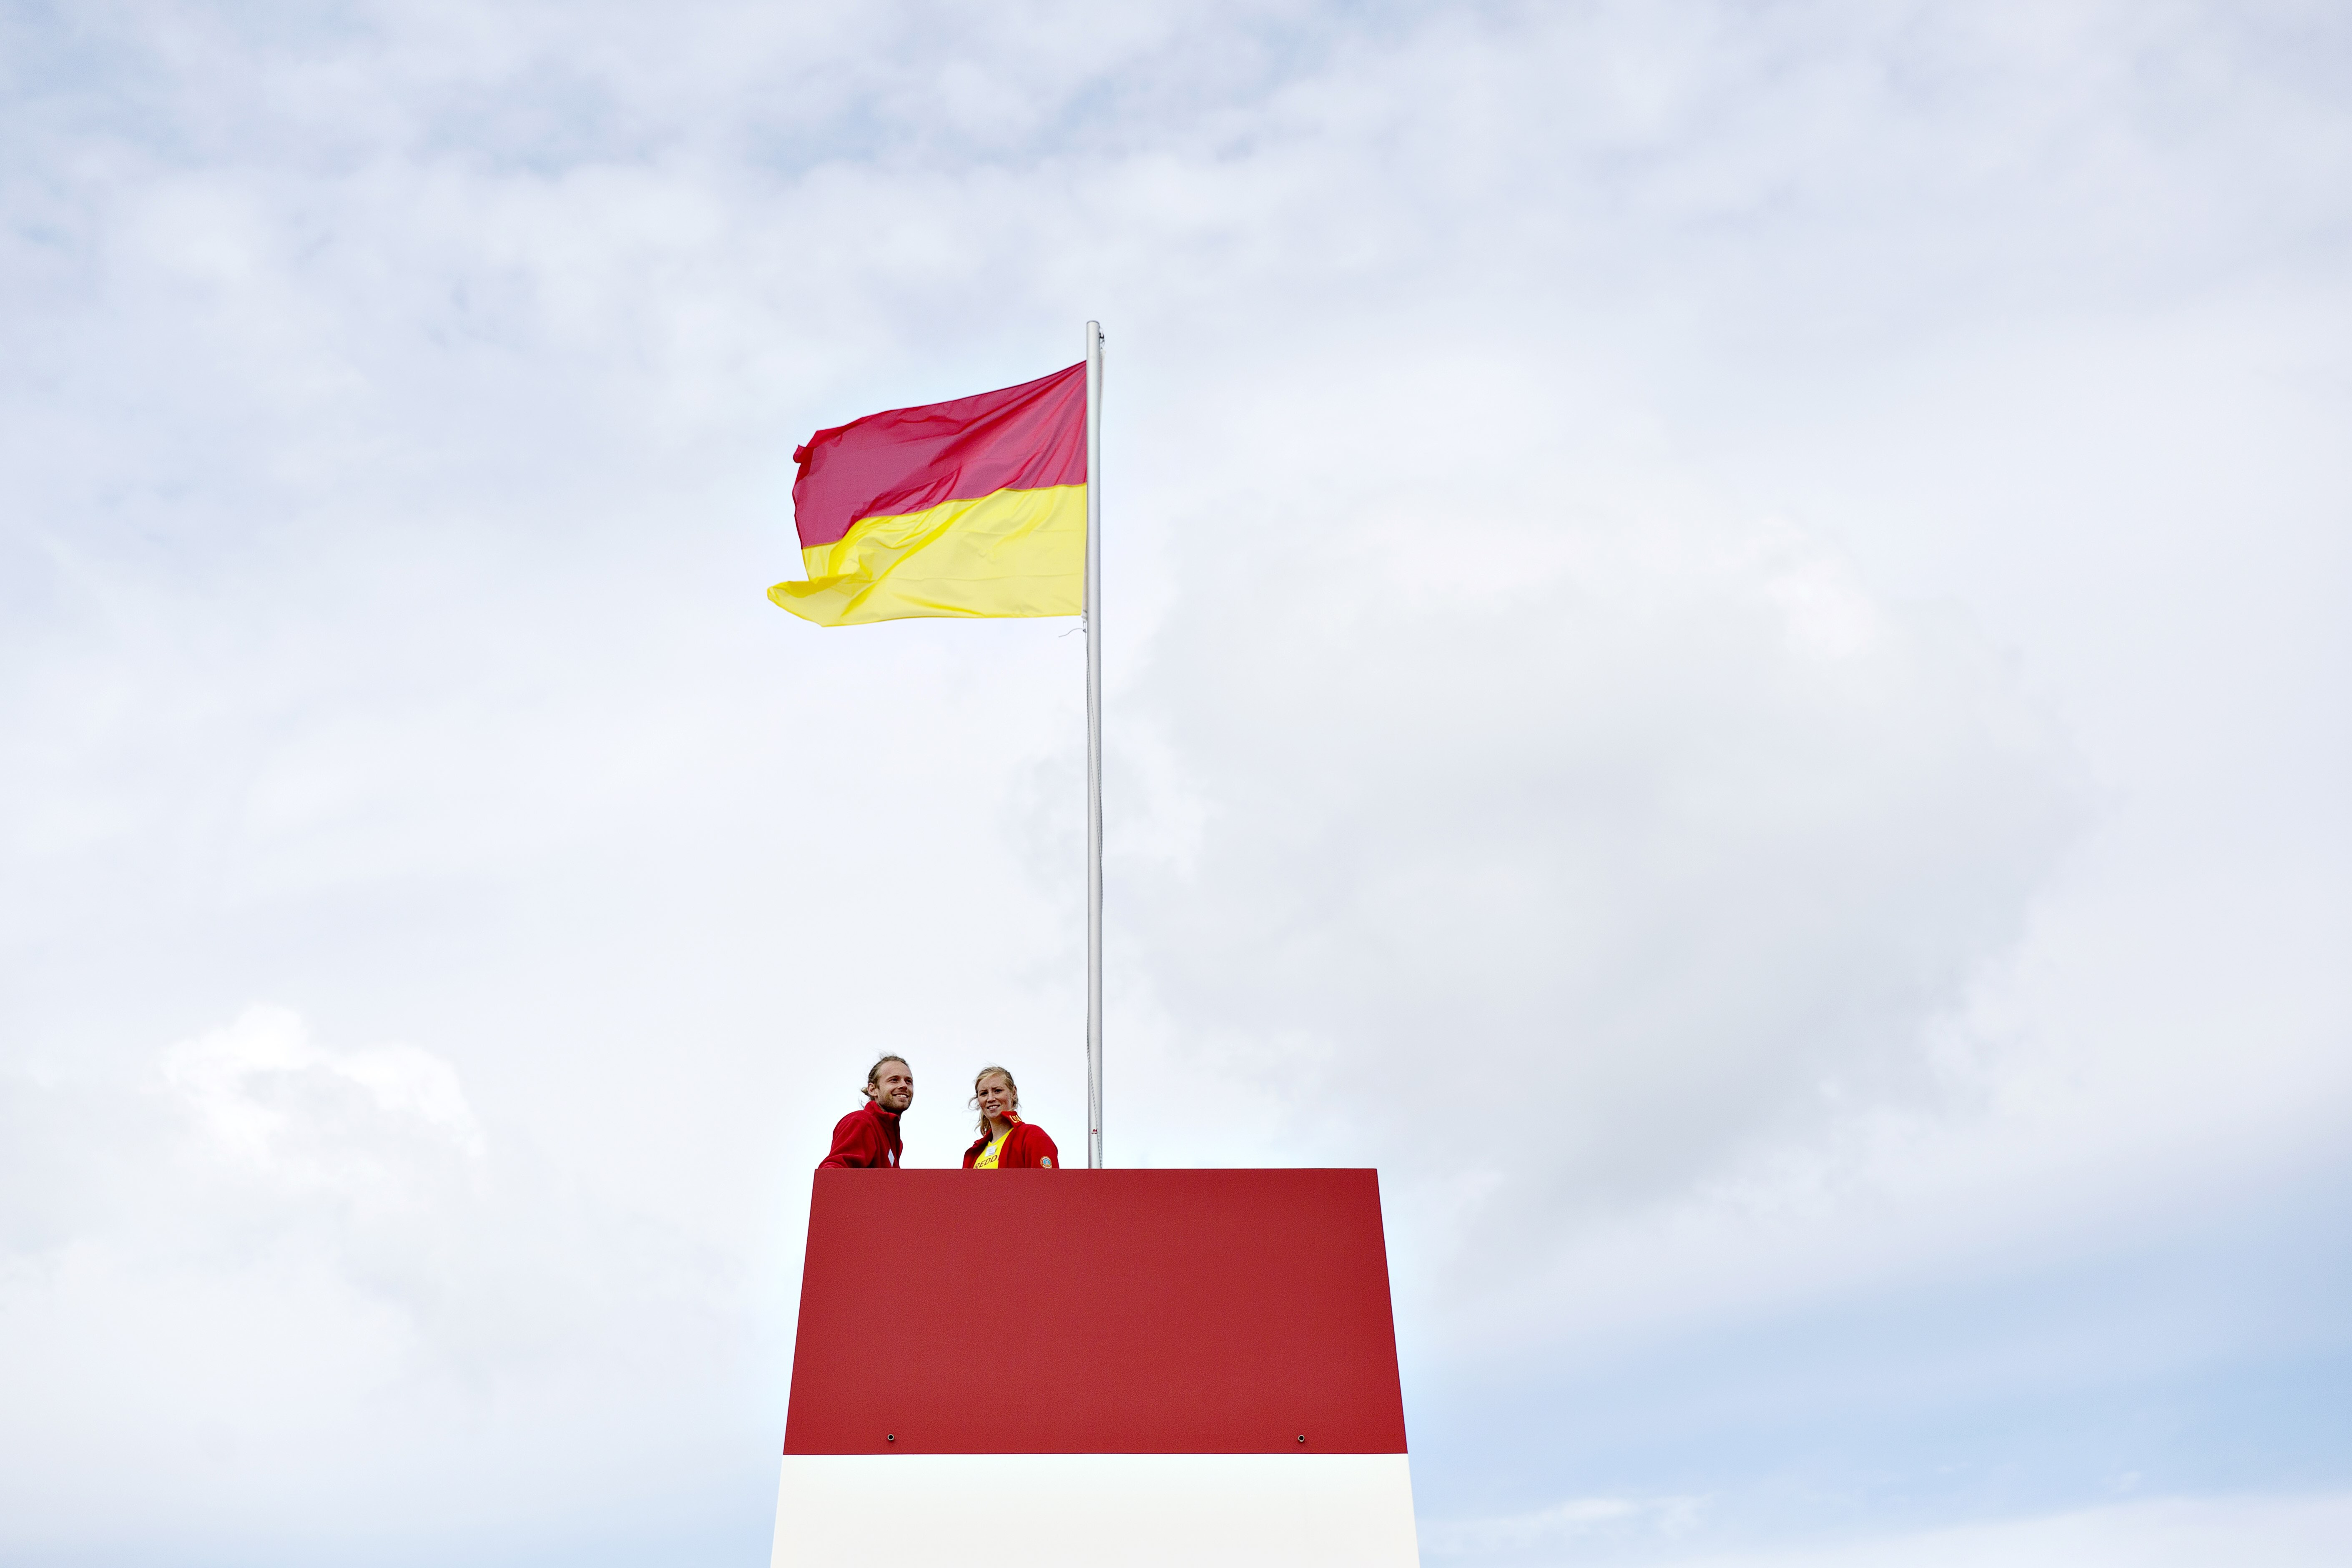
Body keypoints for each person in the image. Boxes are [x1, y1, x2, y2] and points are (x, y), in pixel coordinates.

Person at [819, 1054, 912, 1169]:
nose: (904, 1085)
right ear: (873, 1090)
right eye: (894, 1080)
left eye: (909, 1081)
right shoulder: (862, 1122)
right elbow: (834, 1172)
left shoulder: (894, 1140)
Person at [961, 1064, 1058, 1169]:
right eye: (984, 1094)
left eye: (998, 1091)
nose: (990, 1099)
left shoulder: (1032, 1136)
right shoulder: (974, 1154)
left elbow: (1048, 1184)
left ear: (1014, 1093)